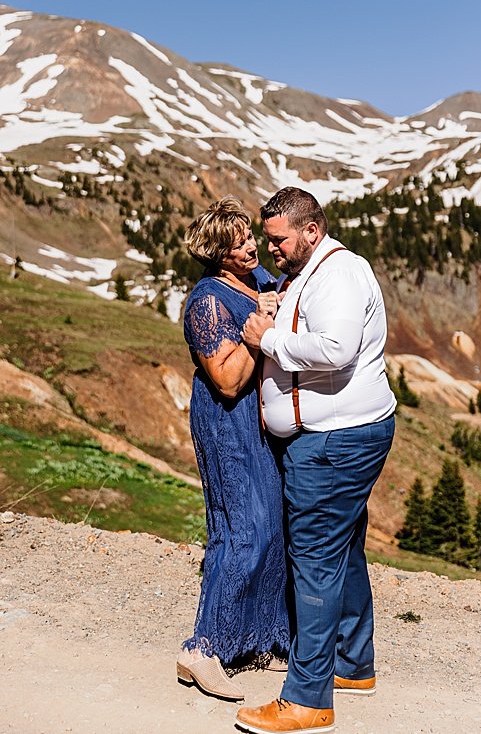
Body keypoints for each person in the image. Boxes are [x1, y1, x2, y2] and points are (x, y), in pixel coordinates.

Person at [236, 186, 397, 734]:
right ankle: (353, 665)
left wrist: (269, 338)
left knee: (314, 560)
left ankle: (307, 699)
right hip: (337, 436)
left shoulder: (340, 273)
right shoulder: (311, 273)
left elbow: (337, 349)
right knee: (343, 549)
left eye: (278, 239)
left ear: (311, 230)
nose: (270, 247)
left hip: (334, 441)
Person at [175, 196, 291, 701]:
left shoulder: (261, 280)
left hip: (262, 420)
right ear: (218, 253)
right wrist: (254, 332)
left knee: (273, 526)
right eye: (239, 241)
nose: (251, 245)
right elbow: (225, 380)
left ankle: (257, 639)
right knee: (242, 528)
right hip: (227, 421)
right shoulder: (207, 301)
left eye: (249, 235)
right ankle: (204, 648)